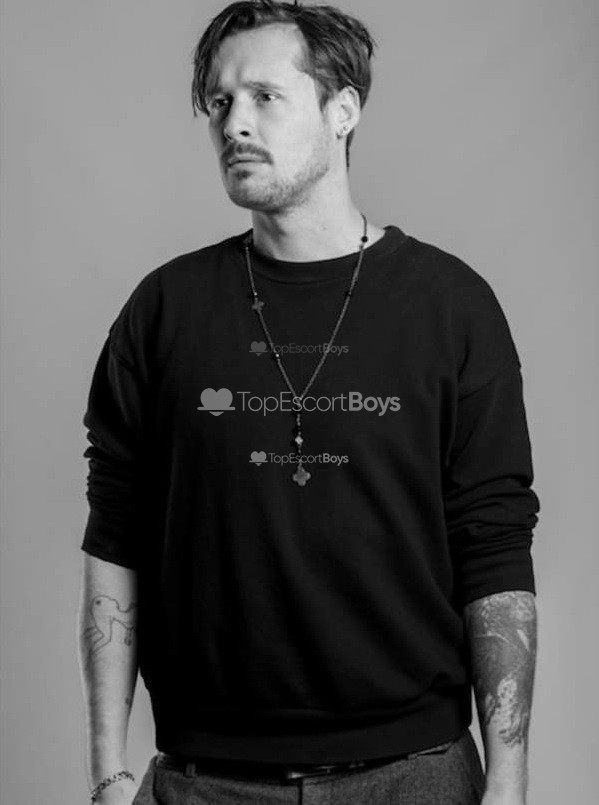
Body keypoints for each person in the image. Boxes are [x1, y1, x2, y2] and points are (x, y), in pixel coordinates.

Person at [77, 2, 540, 803]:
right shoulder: (163, 311)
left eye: (264, 96)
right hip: (203, 780)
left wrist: (507, 782)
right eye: (219, 101)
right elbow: (115, 533)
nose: (234, 123)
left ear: (342, 109)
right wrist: (108, 771)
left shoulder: (451, 306)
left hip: (414, 775)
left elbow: (493, 544)